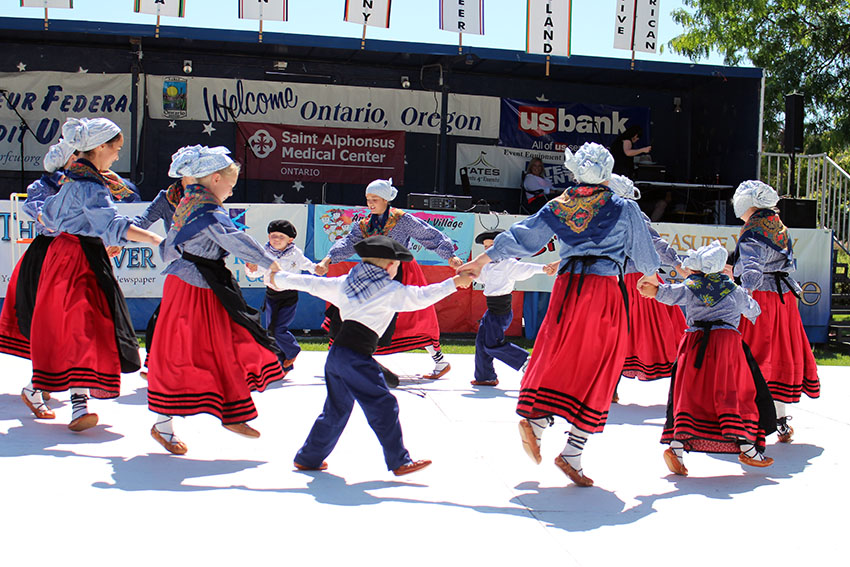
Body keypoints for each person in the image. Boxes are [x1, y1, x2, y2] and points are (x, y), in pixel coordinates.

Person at [459, 142, 660, 487]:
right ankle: (573, 452)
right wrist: (651, 277)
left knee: (556, 353)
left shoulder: (561, 204)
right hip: (602, 290)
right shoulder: (624, 207)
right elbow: (646, 255)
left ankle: (538, 421)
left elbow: (522, 236)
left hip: (567, 289)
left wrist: (480, 261)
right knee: (601, 365)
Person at [267, 235, 474, 475]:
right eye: (397, 265)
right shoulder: (390, 290)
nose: (397, 269)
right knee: (383, 404)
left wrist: (276, 278)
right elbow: (422, 297)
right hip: (356, 357)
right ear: (388, 265)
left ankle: (308, 458)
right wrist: (455, 282)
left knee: (337, 408)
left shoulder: (346, 283)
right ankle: (399, 461)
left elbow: (309, 284)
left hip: (336, 356)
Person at [145, 145, 285, 455]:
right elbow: (231, 237)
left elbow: (218, 236)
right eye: (232, 185)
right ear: (217, 178)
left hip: (201, 282)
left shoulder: (193, 203)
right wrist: (266, 260)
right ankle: (165, 423)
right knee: (185, 351)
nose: (232, 192)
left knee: (224, 344)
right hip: (193, 286)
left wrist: (246, 258)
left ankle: (233, 411)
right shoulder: (204, 208)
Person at [35, 117, 163, 431]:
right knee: (83, 324)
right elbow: (113, 223)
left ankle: (40, 388)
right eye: (115, 149)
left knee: (67, 323)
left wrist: (90, 236)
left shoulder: (72, 179)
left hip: (65, 255)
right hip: (79, 259)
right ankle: (78, 403)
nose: (117, 156)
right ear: (100, 147)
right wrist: (154, 239)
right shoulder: (89, 184)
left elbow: (49, 215)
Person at [638, 241, 776, 474]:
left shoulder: (691, 286)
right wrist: (747, 294)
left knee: (690, 394)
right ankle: (748, 449)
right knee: (731, 394)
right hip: (726, 346)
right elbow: (753, 311)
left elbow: (668, 294)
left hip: (695, 344)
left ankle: (676, 448)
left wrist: (654, 290)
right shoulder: (733, 290)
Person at [316, 178, 464, 380]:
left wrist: (450, 255)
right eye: (368, 199)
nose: (370, 203)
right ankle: (341, 358)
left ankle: (439, 360)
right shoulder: (365, 224)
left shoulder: (402, 220)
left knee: (415, 316)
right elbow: (349, 243)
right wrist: (328, 259)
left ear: (386, 199)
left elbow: (430, 236)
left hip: (400, 271)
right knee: (346, 312)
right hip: (371, 270)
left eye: (375, 199)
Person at [730, 180, 820, 443]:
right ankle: (780, 421)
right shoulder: (776, 224)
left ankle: (749, 424)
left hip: (762, 301)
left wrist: (743, 296)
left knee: (751, 358)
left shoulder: (753, 229)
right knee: (778, 357)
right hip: (783, 301)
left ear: (750, 202)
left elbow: (753, 270)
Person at [0, 139, 76, 419]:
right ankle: (41, 380)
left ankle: (59, 383)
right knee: (43, 318)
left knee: (72, 318)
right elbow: (46, 219)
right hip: (47, 257)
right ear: (67, 161)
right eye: (77, 157)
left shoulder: (85, 185)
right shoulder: (42, 188)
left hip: (75, 255)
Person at [607, 174, 688, 401]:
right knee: (619, 333)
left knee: (651, 333)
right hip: (618, 279)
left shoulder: (629, 214)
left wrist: (678, 265)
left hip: (636, 280)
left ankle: (683, 386)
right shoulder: (604, 214)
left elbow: (655, 243)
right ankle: (610, 387)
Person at [471, 230, 558, 386]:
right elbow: (480, 277)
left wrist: (544, 269)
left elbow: (527, 268)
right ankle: (485, 376)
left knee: (492, 344)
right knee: (481, 342)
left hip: (500, 311)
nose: (488, 249)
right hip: (492, 310)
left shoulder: (509, 264)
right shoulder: (487, 265)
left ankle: (526, 362)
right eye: (485, 246)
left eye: (491, 246)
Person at [130, 154, 190, 379]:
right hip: (181, 266)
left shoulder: (209, 196)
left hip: (207, 266)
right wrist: (119, 236)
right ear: (182, 176)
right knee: (165, 315)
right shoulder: (166, 199)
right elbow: (141, 223)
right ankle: (154, 361)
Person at [246, 219, 318, 374]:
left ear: (290, 240)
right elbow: (255, 274)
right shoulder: (264, 254)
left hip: (289, 296)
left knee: (279, 329)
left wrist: (315, 268)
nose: (276, 240)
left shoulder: (295, 253)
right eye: (273, 236)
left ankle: (293, 350)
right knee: (271, 331)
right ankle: (283, 365)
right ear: (268, 237)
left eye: (281, 237)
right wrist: (251, 269)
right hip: (271, 296)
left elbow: (306, 264)